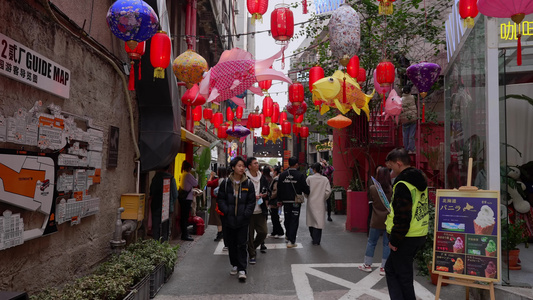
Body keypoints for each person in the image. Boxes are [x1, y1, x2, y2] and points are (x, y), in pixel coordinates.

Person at [384, 148, 429, 300]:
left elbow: (403, 215)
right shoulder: (420, 178)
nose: (391, 172)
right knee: (392, 269)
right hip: (418, 233)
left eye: (391, 168)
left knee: (403, 277)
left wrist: (395, 240)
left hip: (405, 236)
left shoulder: (403, 184)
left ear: (398, 163)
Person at [217, 156, 256, 282]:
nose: (241, 168)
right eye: (239, 166)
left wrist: (246, 214)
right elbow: (221, 199)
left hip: (243, 220)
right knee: (231, 244)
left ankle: (242, 269)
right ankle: (234, 264)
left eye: (243, 166)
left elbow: (251, 201)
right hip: (229, 220)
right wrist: (227, 211)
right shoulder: (226, 183)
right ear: (233, 167)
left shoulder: (248, 183)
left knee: (242, 244)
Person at [358, 166, 392, 276]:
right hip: (388, 220)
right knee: (387, 244)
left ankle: (367, 265)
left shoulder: (373, 188)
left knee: (371, 242)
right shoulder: (392, 190)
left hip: (375, 219)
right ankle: (384, 267)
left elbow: (370, 200)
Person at [278, 157, 310, 248]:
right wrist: (308, 192)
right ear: (296, 164)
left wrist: (279, 200)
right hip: (296, 201)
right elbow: (305, 188)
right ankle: (291, 241)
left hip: (285, 201)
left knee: (287, 218)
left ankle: (288, 236)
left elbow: (279, 188)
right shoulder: (300, 175)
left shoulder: (283, 175)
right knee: (294, 220)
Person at [244, 157, 269, 264]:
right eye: (254, 163)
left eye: (257, 163)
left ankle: (252, 247)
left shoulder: (262, 177)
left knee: (263, 232)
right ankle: (252, 255)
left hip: (260, 210)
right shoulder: (245, 178)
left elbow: (267, 190)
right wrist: (252, 197)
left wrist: (265, 195)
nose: (257, 165)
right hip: (249, 211)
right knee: (249, 235)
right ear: (249, 166)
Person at [305, 163, 332, 245]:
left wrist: (308, 196)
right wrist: (323, 197)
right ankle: (317, 240)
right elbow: (328, 191)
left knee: (311, 221)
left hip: (311, 202)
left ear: (314, 169)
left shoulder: (309, 178)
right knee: (319, 221)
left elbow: (305, 190)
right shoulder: (325, 179)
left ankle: (313, 237)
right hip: (320, 203)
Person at [150, 165, 178, 242]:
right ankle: (164, 245)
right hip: (167, 206)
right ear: (168, 168)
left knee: (156, 227)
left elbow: (151, 192)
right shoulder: (171, 178)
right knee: (166, 228)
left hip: (156, 205)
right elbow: (175, 194)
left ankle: (155, 244)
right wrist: (171, 202)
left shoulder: (155, 178)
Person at [179, 161, 198, 241]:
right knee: (185, 217)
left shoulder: (183, 174)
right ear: (189, 168)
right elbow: (195, 183)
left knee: (184, 216)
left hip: (183, 198)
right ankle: (184, 234)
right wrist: (196, 177)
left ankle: (185, 233)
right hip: (187, 199)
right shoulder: (188, 175)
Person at [207, 167, 227, 242]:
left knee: (217, 216)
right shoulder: (226, 180)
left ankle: (220, 232)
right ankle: (221, 232)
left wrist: (211, 176)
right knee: (220, 216)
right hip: (224, 200)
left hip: (216, 200)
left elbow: (208, 184)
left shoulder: (218, 180)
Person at [400, 85, 417, 154]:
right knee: (412, 134)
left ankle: (406, 149)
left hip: (404, 119)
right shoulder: (413, 97)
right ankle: (412, 149)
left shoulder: (401, 99)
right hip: (413, 118)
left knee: (405, 135)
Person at [268, 165, 284, 239]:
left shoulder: (276, 179)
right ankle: (275, 231)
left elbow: (275, 191)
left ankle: (279, 231)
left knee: (275, 217)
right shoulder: (275, 179)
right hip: (275, 200)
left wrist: (270, 197)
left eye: (273, 170)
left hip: (275, 200)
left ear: (275, 172)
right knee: (274, 216)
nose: (271, 172)